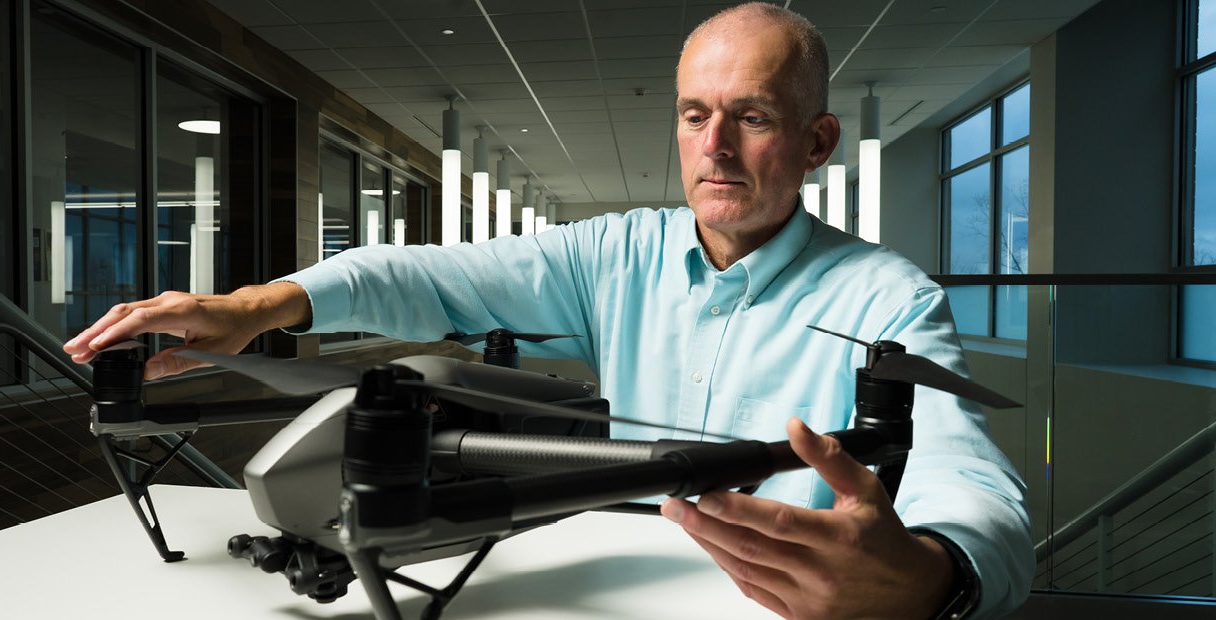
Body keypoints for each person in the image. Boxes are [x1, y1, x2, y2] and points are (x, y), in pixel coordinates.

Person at [65, 3, 1033, 618]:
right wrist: (250, 307)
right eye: (696, 114)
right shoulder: (615, 253)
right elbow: (427, 276)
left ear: (818, 140)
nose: (716, 145)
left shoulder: (888, 296)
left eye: (754, 115)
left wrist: (930, 575)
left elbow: (975, 486)